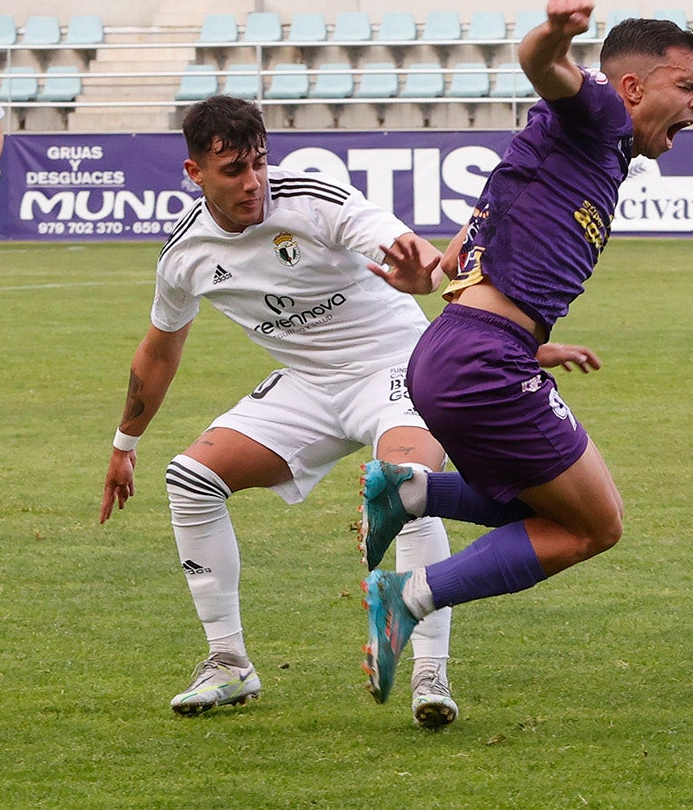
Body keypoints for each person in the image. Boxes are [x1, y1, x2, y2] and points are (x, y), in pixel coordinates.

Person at [99, 95, 596, 727]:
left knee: (406, 485)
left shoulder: (309, 197)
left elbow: (399, 245)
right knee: (190, 481)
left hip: (398, 366)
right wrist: (124, 443)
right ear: (195, 173)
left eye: (258, 162)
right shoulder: (184, 256)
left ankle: (429, 673)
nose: (252, 182)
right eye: (232, 171)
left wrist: (418, 268)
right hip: (307, 385)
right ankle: (228, 663)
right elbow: (159, 351)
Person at [357, 0, 693, 709]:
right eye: (689, 87)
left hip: (467, 349)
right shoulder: (602, 112)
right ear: (634, 86)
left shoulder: (580, 151)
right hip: (479, 360)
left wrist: (444, 284)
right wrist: (556, 33)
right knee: (594, 524)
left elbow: (468, 252)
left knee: (542, 507)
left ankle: (410, 490)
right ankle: (410, 595)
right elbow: (537, 63)